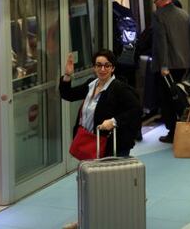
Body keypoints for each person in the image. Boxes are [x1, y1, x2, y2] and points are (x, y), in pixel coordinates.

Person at [60, 50, 142, 229]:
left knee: (112, 186)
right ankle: (86, 220)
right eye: (98, 65)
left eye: (107, 65)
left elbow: (136, 109)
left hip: (111, 145)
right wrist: (67, 75)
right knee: (91, 184)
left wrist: (113, 121)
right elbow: (67, 95)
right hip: (92, 142)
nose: (102, 69)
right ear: (94, 67)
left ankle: (125, 212)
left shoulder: (118, 88)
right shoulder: (92, 84)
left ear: (113, 68)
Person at [152, 0, 190, 143]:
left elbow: (161, 42)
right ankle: (186, 127)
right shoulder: (184, 14)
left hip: (167, 66)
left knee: (167, 100)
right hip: (184, 64)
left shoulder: (158, 15)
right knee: (181, 98)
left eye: (155, 0)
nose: (155, 3)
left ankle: (173, 132)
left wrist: (163, 66)